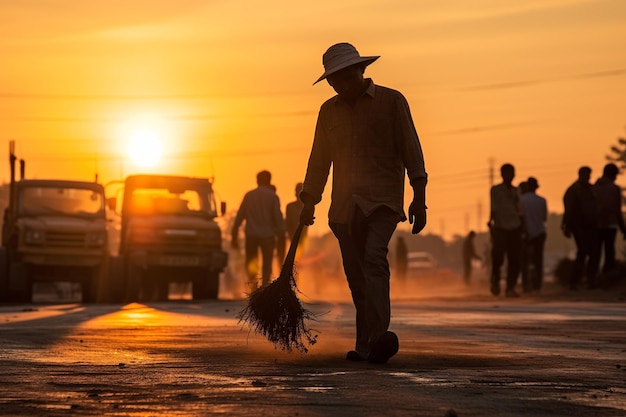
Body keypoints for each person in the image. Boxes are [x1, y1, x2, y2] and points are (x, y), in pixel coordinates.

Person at [299, 42, 427, 364]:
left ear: (362, 70)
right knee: (357, 277)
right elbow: (319, 159)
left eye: (345, 77)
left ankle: (379, 336)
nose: (340, 84)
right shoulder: (329, 112)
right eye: (334, 80)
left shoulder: (391, 102)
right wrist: (309, 200)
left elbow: (411, 149)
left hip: (382, 201)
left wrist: (419, 197)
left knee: (373, 259)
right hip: (344, 206)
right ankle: (366, 344)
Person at [231, 170, 286, 291]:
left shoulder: (249, 195)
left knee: (251, 261)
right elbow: (277, 217)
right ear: (269, 180)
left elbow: (240, 215)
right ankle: (265, 286)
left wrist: (234, 232)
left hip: (251, 234)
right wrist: (281, 234)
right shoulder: (273, 196)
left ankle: (253, 287)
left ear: (257, 180)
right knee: (267, 262)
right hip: (267, 235)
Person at [488, 163, 523, 297]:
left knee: (514, 259)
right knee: (498, 258)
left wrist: (522, 228)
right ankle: (495, 282)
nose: (510, 176)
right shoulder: (496, 190)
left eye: (511, 173)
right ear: (502, 174)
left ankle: (510, 287)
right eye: (507, 173)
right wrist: (492, 226)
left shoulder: (516, 191)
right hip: (501, 227)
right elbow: (493, 209)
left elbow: (520, 211)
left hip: (515, 227)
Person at [562, 166, 598, 290]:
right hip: (579, 226)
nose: (588, 177)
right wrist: (566, 225)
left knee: (593, 252)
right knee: (583, 251)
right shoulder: (573, 191)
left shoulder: (592, 189)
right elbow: (568, 210)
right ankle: (575, 282)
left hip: (592, 226)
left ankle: (590, 280)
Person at [591, 163, 626, 286]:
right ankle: (607, 277)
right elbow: (617, 210)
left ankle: (593, 278)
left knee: (595, 252)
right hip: (611, 224)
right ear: (613, 175)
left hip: (596, 225)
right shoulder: (614, 189)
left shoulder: (594, 187)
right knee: (609, 251)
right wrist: (623, 228)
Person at [520, 177, 547, 292]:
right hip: (539, 233)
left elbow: (521, 218)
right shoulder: (542, 200)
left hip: (526, 234)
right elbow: (544, 218)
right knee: (538, 260)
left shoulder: (521, 200)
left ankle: (526, 285)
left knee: (525, 261)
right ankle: (537, 285)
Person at [284, 182, 307, 259]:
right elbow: (288, 223)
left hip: (303, 236)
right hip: (292, 236)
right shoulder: (290, 207)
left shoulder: (307, 208)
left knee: (301, 255)